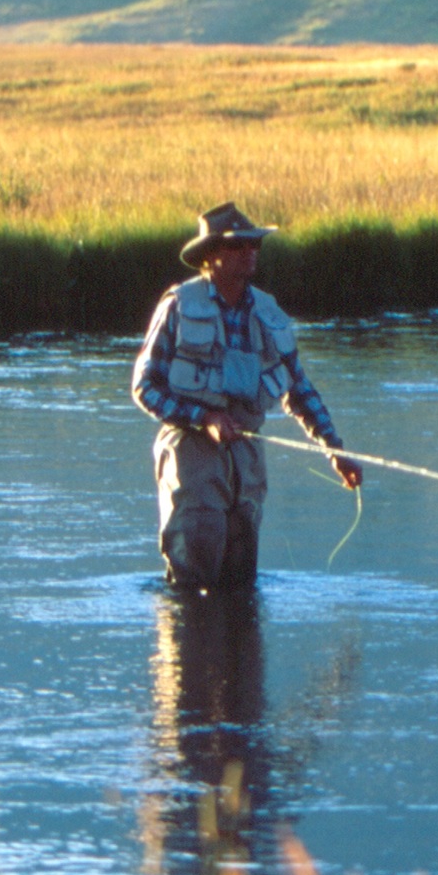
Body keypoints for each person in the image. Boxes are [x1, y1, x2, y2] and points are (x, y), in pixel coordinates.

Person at [132, 203, 362, 592]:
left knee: (241, 582)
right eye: (238, 245)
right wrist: (203, 419)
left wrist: (334, 451)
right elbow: (145, 386)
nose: (250, 252)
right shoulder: (178, 305)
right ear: (211, 257)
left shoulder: (268, 312)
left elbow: (299, 389)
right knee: (194, 581)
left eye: (253, 244)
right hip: (191, 454)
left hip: (248, 460)